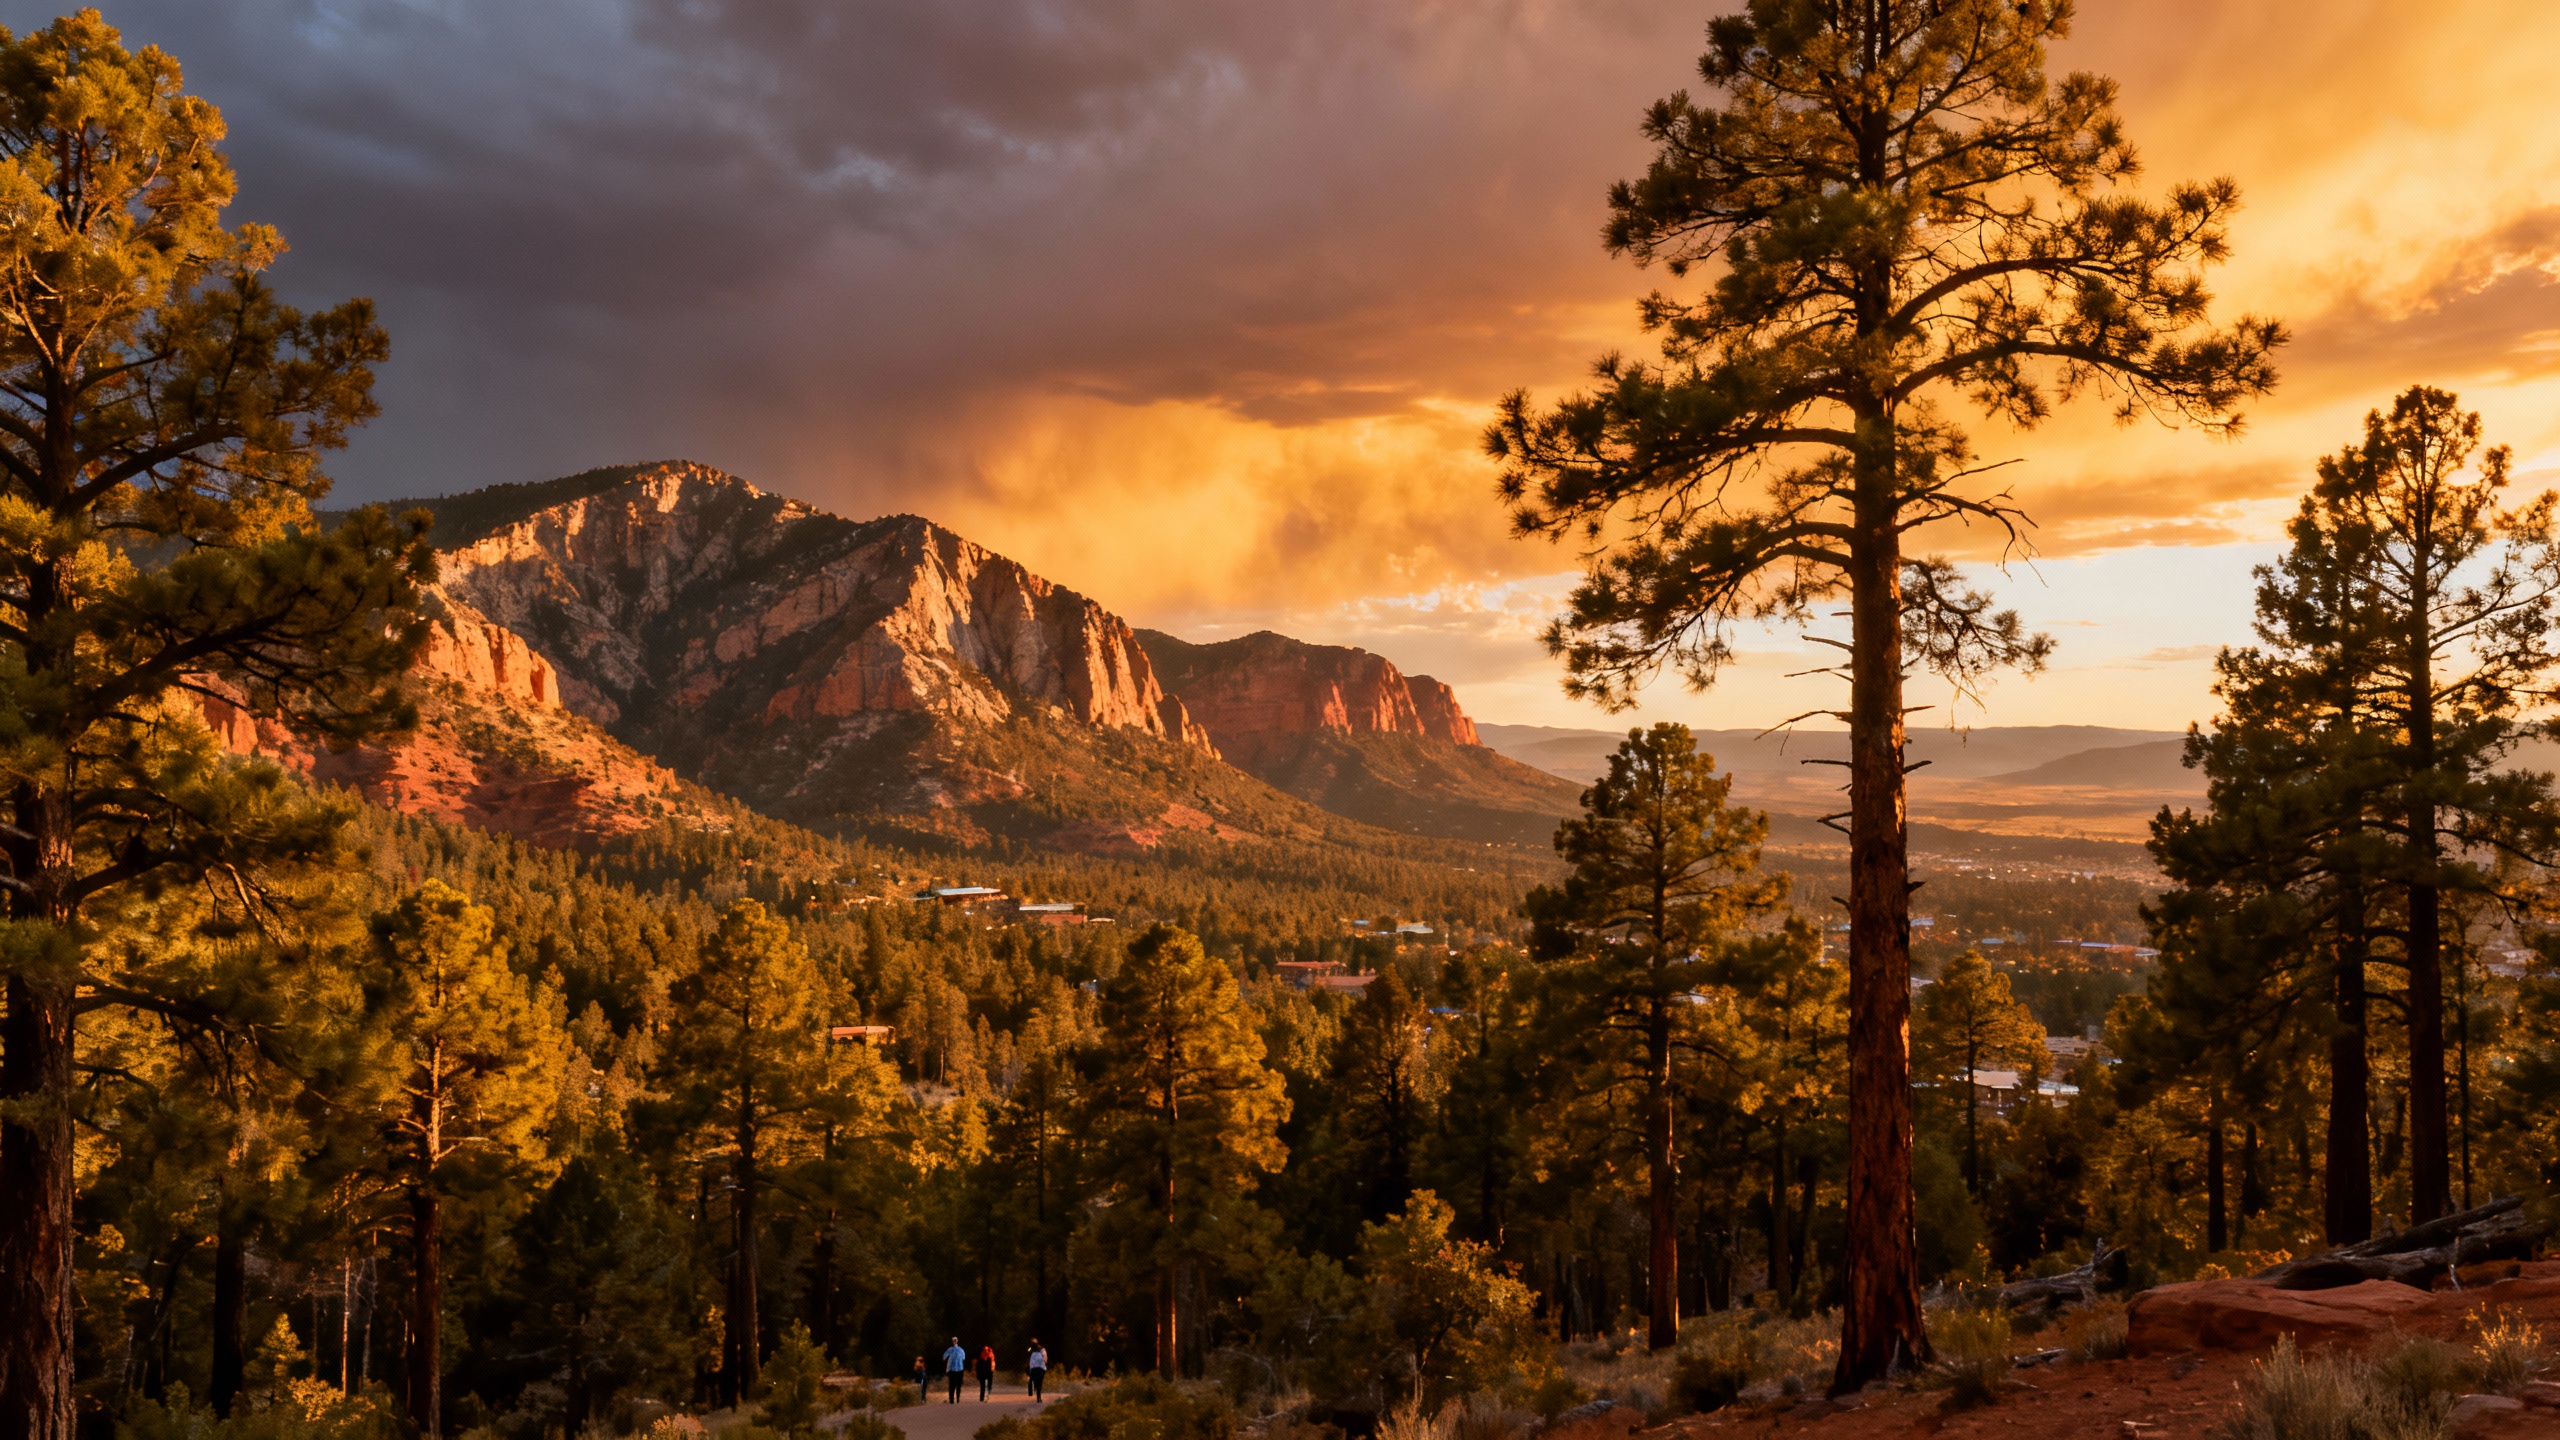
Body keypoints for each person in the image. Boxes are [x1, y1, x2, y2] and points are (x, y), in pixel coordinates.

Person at [942, 1338, 967, 1403]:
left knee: (952, 1385)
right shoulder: (961, 1350)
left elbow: (944, 1357)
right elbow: (964, 1358)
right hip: (959, 1369)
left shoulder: (950, 1349)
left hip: (953, 1369)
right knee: (958, 1384)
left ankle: (952, 1399)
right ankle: (957, 1398)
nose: (954, 1342)